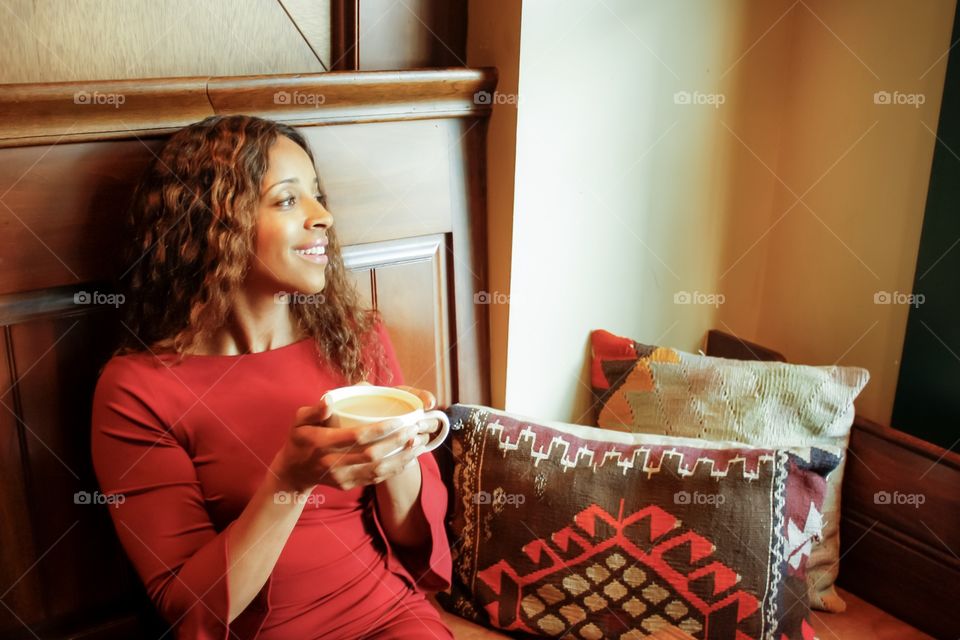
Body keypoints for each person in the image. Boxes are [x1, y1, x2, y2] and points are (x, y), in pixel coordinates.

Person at [90, 115, 453, 639]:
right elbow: (191, 609)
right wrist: (290, 481)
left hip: (391, 617)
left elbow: (413, 539)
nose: (324, 215)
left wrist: (400, 449)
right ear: (212, 224)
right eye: (286, 200)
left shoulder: (356, 337)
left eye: (317, 195)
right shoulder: (136, 389)